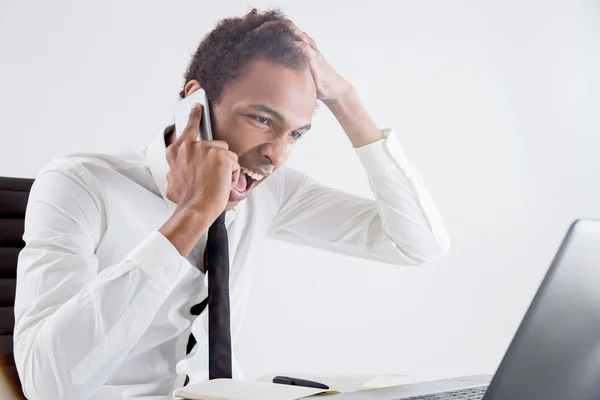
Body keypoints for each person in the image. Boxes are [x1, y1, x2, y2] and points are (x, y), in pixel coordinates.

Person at [13, 8, 450, 400]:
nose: (276, 155)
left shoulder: (276, 193)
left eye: (296, 134)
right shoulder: (80, 184)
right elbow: (49, 386)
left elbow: (417, 244)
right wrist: (195, 212)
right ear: (195, 103)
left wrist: (345, 100)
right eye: (262, 119)